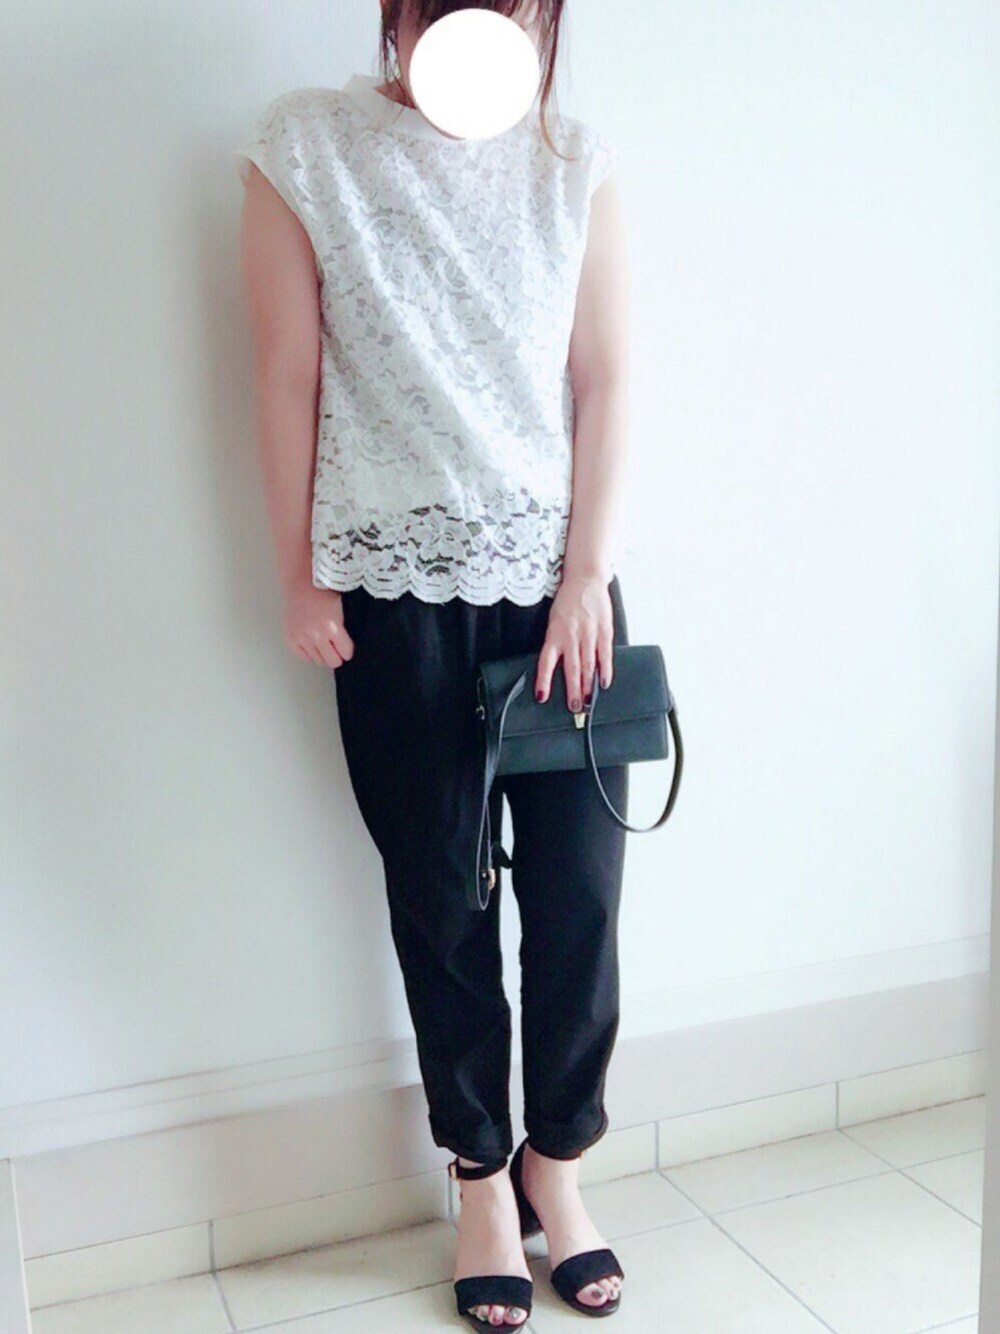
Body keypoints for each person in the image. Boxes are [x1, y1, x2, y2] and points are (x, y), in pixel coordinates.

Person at [236, 2, 629, 1327]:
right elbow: (284, 373)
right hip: (396, 599)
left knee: (580, 900)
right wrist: (298, 570)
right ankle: (480, 1178)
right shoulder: (307, 147)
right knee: (443, 902)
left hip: (561, 598)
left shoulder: (570, 161)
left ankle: (557, 1162)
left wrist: (587, 573)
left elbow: (605, 377)